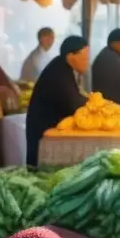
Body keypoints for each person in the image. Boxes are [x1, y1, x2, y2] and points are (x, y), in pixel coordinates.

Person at [25, 36, 90, 166]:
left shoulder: (62, 67)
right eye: (84, 58)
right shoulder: (58, 73)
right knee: (41, 175)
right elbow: (72, 104)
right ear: (71, 55)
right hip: (43, 132)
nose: (87, 62)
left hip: (48, 128)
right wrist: (91, 103)